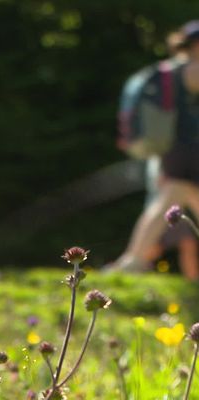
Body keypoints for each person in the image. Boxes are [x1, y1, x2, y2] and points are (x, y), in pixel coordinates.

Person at [111, 22, 199, 280]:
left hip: (174, 150)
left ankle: (133, 259)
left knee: (171, 198)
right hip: (192, 149)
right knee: (169, 199)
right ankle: (133, 260)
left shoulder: (171, 70)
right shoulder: (194, 71)